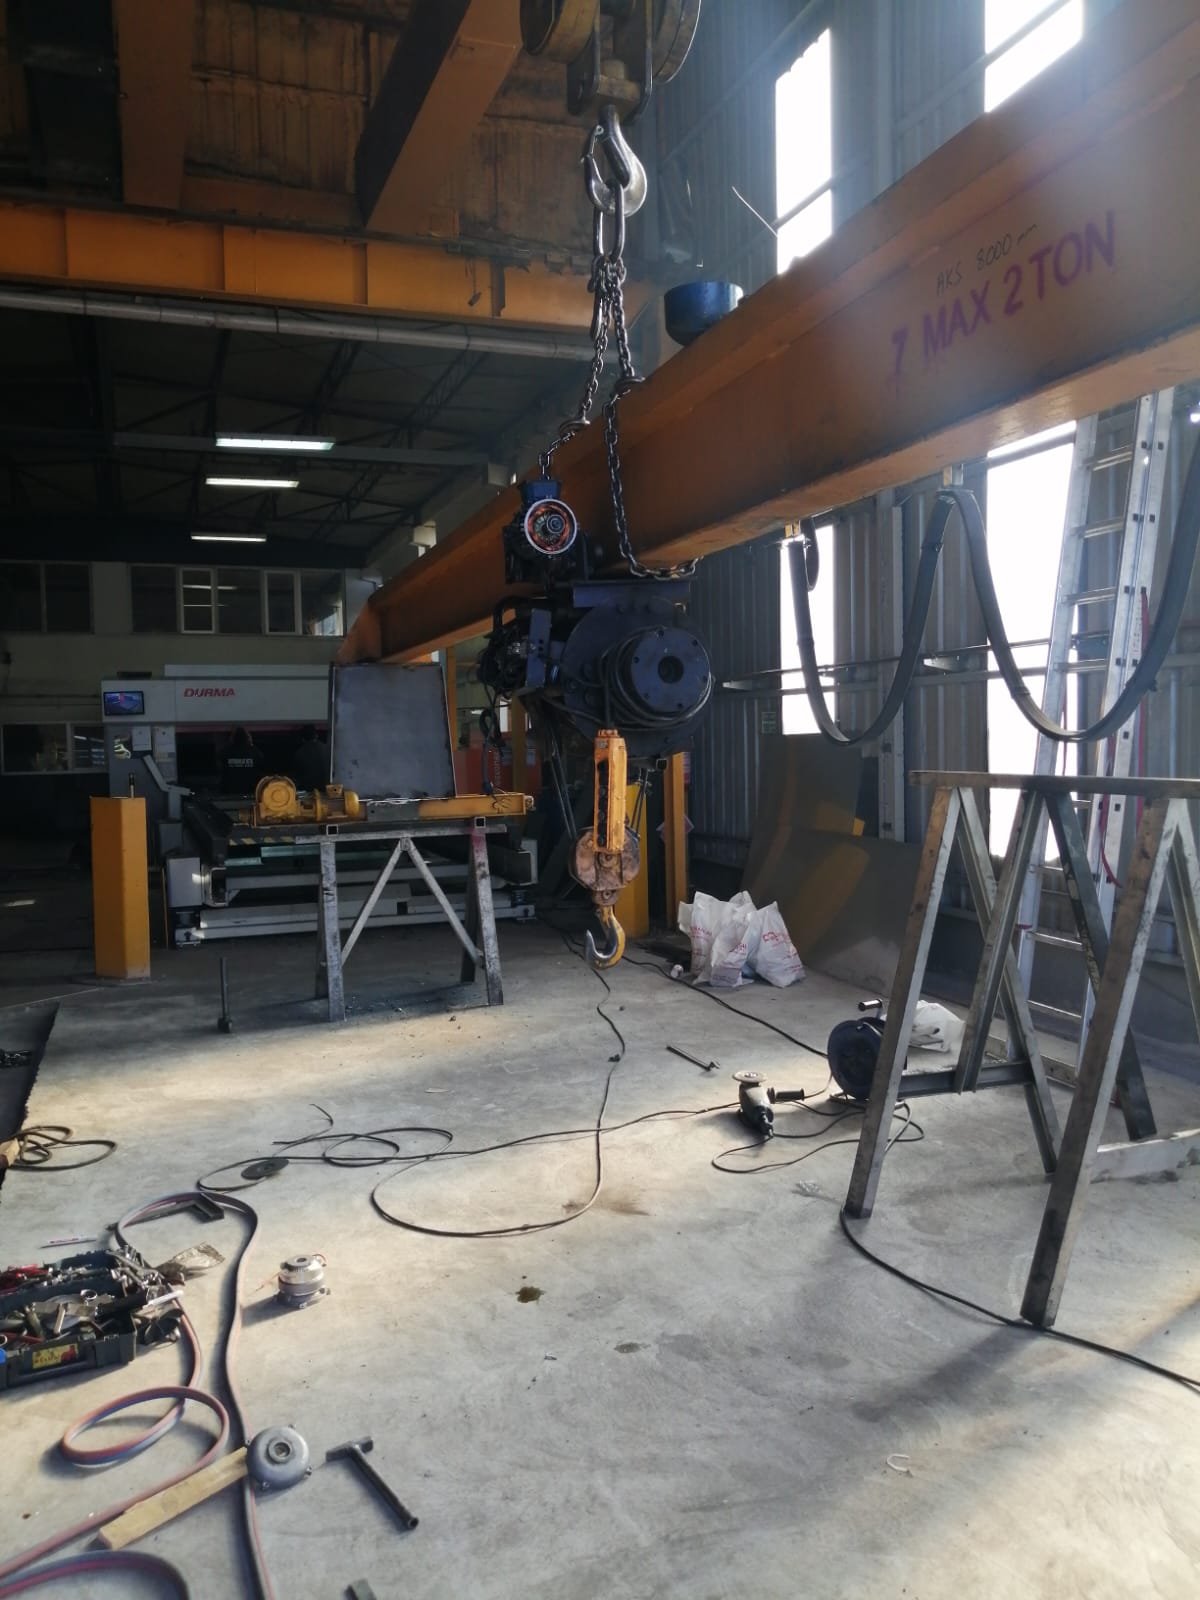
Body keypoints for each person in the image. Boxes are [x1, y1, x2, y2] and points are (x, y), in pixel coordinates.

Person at [218, 726, 265, 796]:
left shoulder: (226, 751)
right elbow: (261, 764)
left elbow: (219, 761)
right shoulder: (254, 751)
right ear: (248, 738)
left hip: (230, 790)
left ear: (232, 738)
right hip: (251, 790)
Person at [292, 724, 329, 792]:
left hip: (308, 789)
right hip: (327, 788)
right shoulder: (327, 748)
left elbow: (297, 775)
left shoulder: (299, 753)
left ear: (303, 739)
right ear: (316, 736)